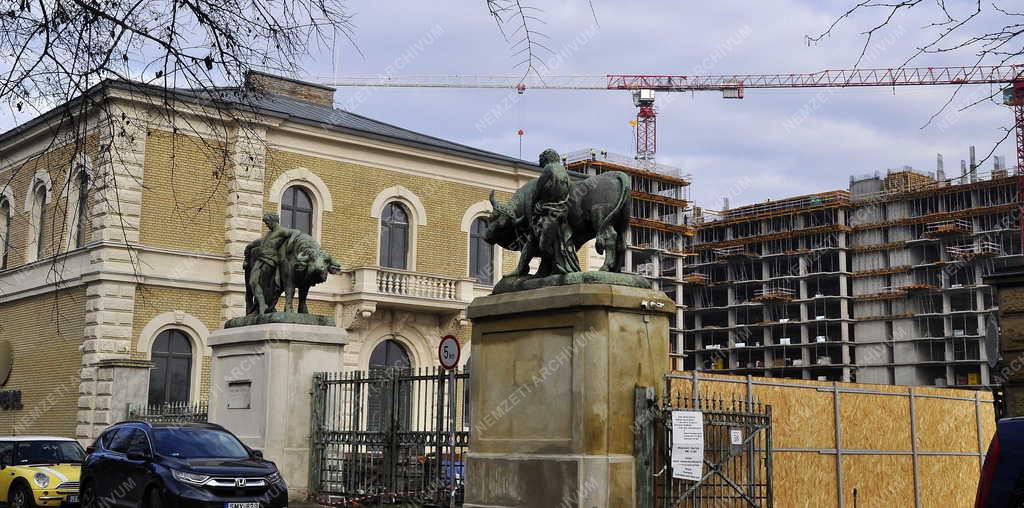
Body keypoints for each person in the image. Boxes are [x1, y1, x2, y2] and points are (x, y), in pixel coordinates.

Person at [530, 149, 580, 276]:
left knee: (543, 246)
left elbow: (538, 188)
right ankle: (557, 264)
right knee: (558, 241)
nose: (543, 167)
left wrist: (533, 203)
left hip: (551, 211)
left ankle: (556, 265)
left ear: (546, 160)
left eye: (543, 163)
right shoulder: (564, 171)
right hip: (562, 211)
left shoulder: (549, 168)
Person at [245, 212, 295, 314]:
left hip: (270, 261)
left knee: (263, 284)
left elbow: (296, 233)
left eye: (267, 222)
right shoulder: (269, 233)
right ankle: (262, 304)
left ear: (273, 221)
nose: (266, 225)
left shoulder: (282, 231)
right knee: (252, 282)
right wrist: (249, 249)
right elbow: (262, 242)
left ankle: (263, 306)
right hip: (260, 260)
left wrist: (290, 245)